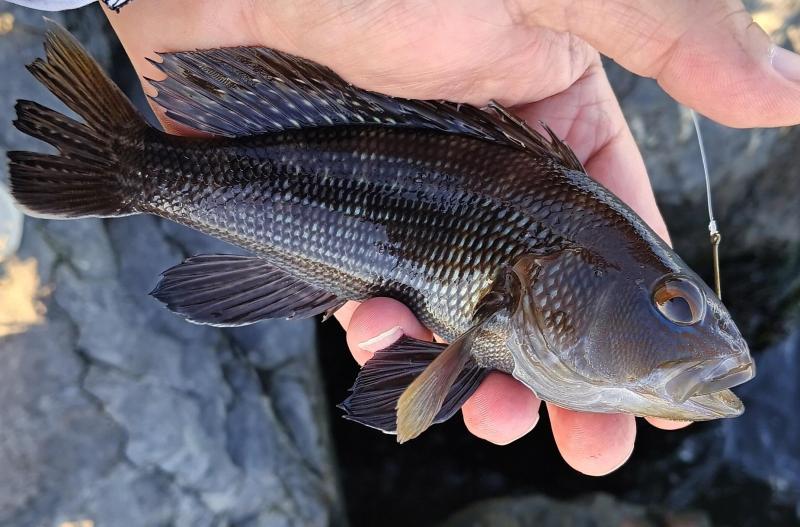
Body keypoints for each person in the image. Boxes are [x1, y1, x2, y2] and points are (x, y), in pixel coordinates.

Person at [10, 0, 800, 476]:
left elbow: (411, 392)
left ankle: (131, 169)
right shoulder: (528, 281)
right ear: (555, 276)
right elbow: (413, 396)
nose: (715, 347)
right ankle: (130, 168)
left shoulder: (541, 274)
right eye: (676, 301)